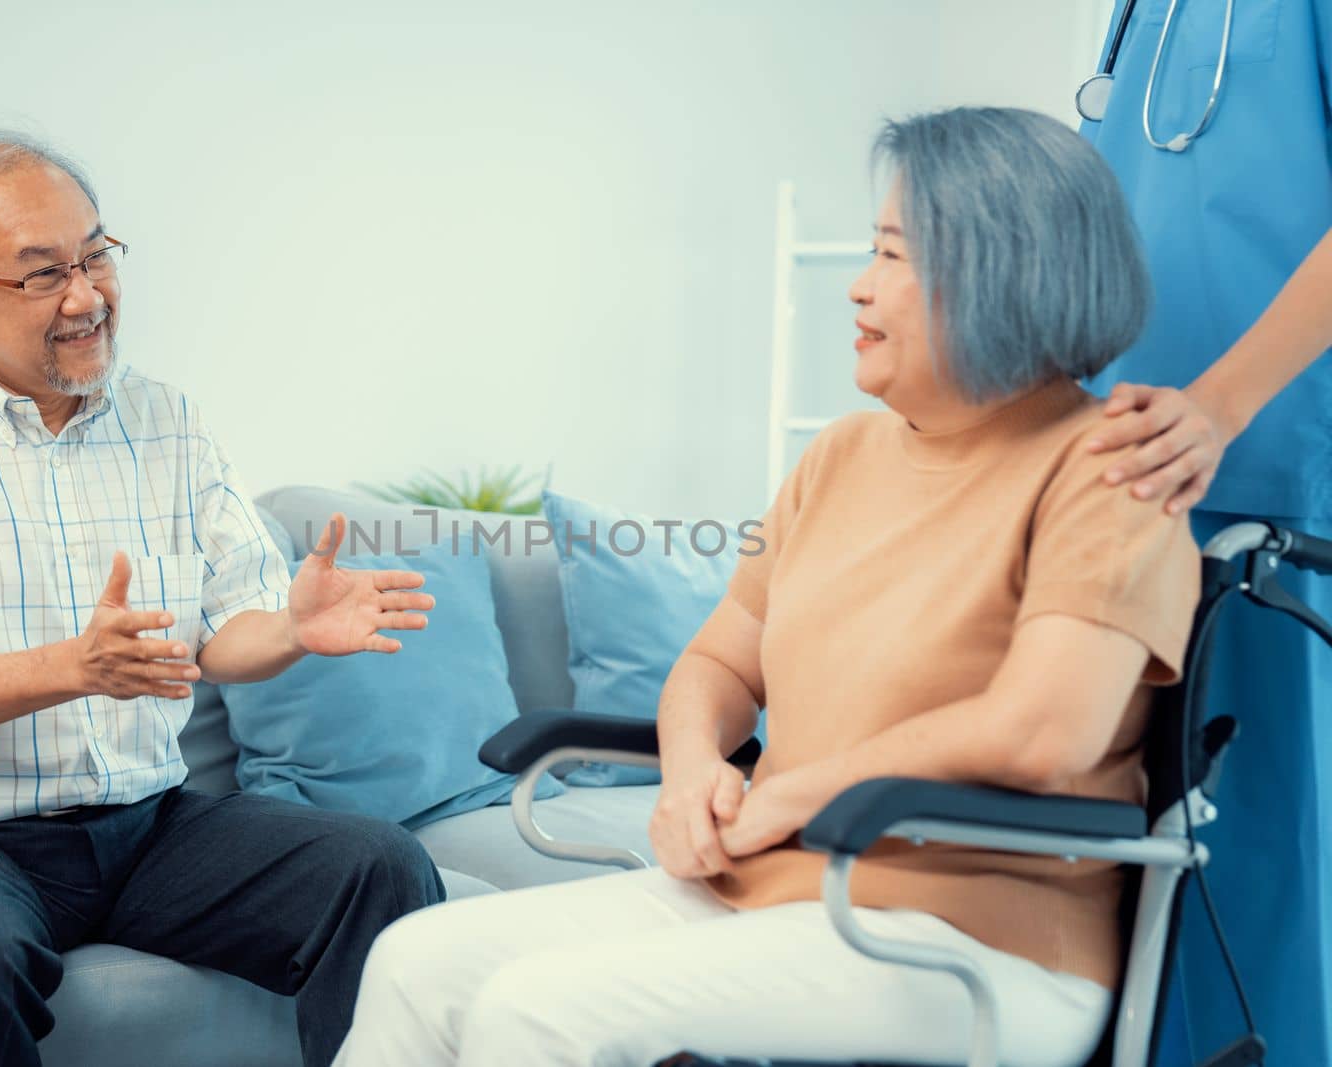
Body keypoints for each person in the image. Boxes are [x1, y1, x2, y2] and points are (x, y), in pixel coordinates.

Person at [329, 106, 1199, 1067]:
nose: (859, 290)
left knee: (536, 1012)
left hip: (978, 940)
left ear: (999, 269)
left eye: (892, 257)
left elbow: (1046, 730)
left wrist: (793, 797)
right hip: (770, 893)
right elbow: (718, 655)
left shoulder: (1110, 472)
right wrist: (694, 767)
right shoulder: (842, 455)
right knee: (416, 959)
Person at [0, 131, 444, 1067]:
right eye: (41, 274)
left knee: (378, 867)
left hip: (149, 826)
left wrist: (294, 631)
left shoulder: (168, 420)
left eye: (97, 254)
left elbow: (230, 631)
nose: (87, 295)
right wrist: (71, 668)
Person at [1077, 2, 1332, 1061]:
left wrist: (1221, 408)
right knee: (1118, 879)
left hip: (1272, 486)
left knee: (1269, 882)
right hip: (1120, 486)